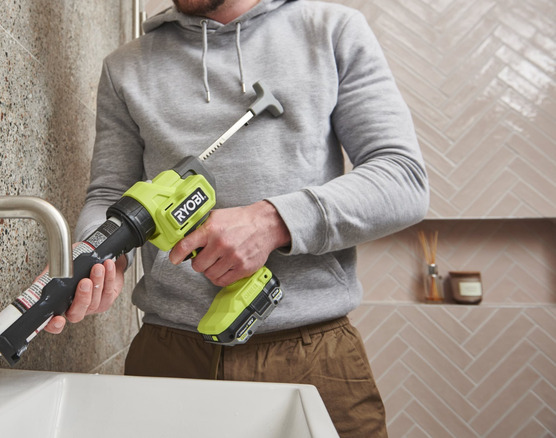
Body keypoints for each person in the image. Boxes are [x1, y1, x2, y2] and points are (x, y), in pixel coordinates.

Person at [42, 0, 428, 436]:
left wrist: (273, 221)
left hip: (312, 356)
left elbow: (403, 178)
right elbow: (110, 194)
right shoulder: (125, 68)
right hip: (168, 358)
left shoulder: (332, 30)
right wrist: (97, 253)